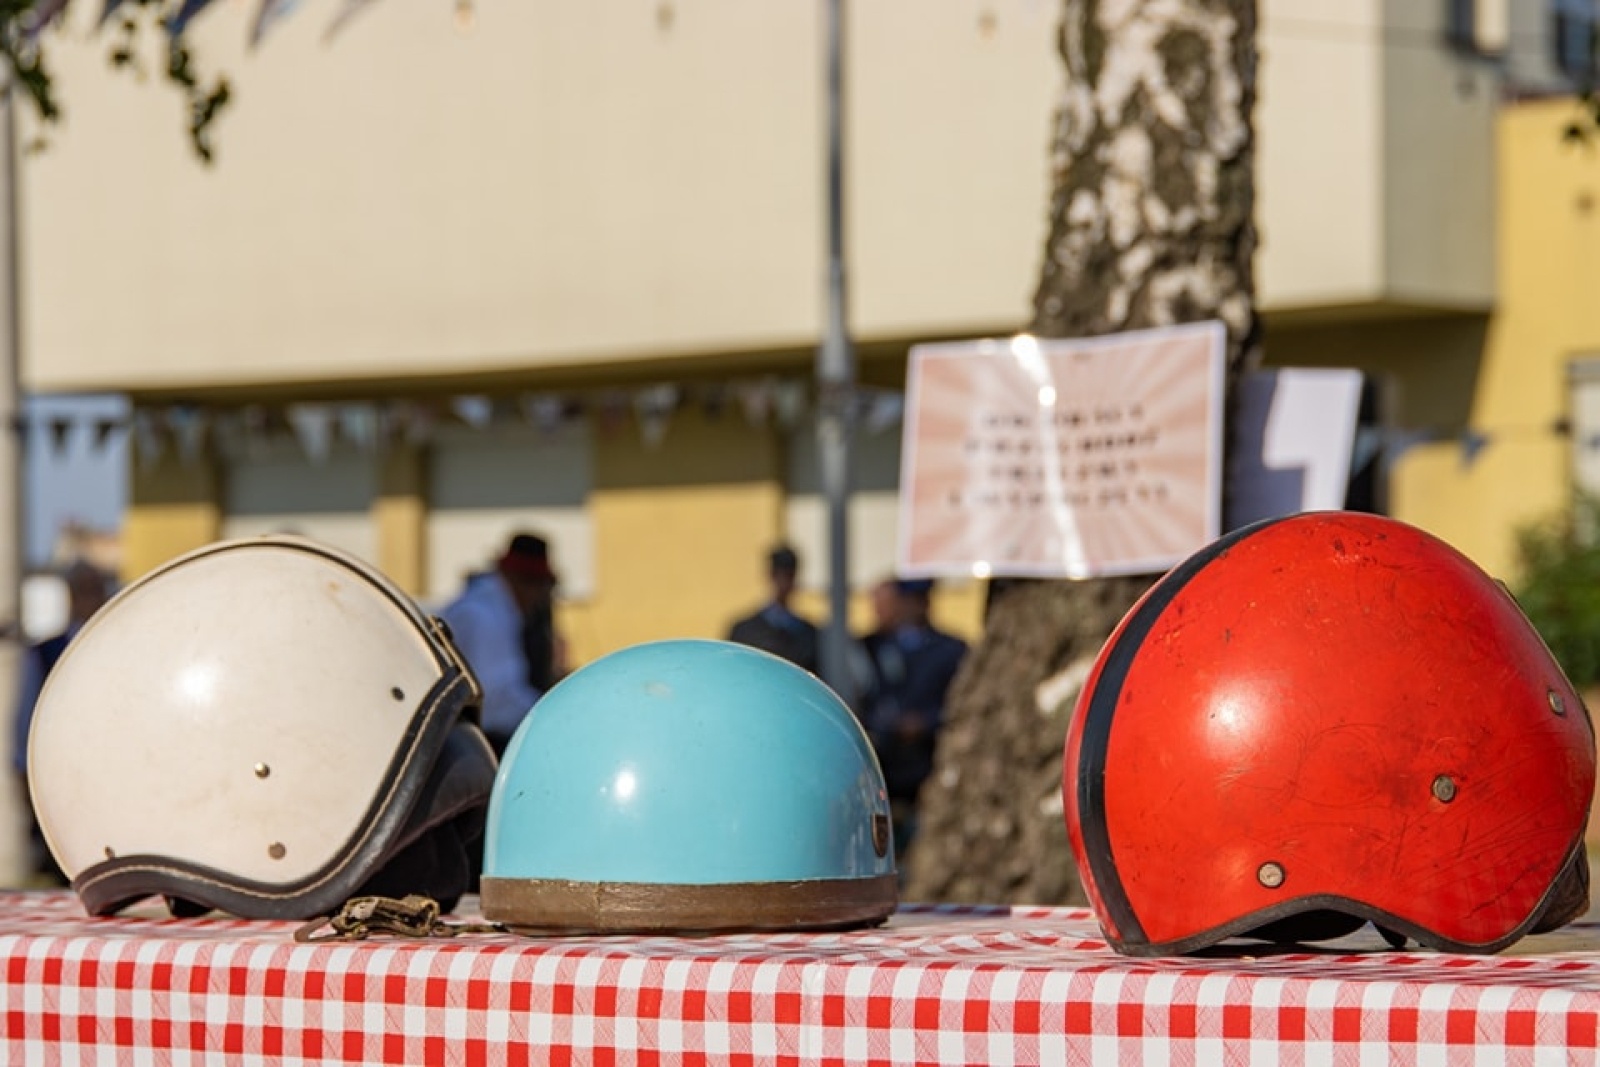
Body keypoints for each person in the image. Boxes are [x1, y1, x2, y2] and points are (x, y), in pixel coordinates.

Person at [12, 560, 114, 885]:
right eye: (81, 590)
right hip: (61, 788)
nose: (88, 598)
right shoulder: (45, 653)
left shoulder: (118, 649)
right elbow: (25, 722)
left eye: (94, 589)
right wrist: (25, 782)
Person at [857, 577, 968, 857]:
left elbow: (960, 706)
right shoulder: (871, 646)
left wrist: (925, 722)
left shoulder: (950, 649)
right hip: (886, 760)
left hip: (926, 760)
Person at [438, 533, 564, 756]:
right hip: (477, 743)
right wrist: (552, 715)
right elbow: (497, 701)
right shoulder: (485, 617)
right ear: (525, 583)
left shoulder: (496, 611)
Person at [726, 545, 820, 674]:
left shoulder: (809, 634)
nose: (784, 582)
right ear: (771, 576)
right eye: (779, 575)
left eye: (788, 576)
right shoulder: (745, 630)